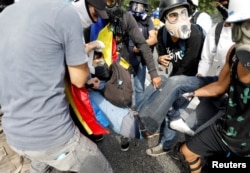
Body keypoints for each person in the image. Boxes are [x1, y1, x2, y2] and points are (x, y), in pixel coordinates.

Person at [0, 0, 114, 173]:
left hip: (14, 135)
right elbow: (79, 79)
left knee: (39, 164)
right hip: (51, 135)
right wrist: (86, 50)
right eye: (95, 14)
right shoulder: (63, 12)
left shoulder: (5, 15)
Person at [170, 0, 250, 172]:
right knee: (186, 152)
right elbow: (221, 85)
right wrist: (194, 92)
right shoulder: (234, 53)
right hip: (226, 128)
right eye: (240, 25)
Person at [145, 0, 204, 156]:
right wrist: (160, 59)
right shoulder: (163, 33)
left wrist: (168, 91)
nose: (181, 19)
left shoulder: (195, 35)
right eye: (173, 15)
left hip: (191, 79)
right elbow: (162, 53)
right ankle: (163, 131)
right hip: (176, 75)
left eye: (184, 13)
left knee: (174, 110)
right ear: (164, 19)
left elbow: (188, 68)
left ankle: (166, 144)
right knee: (166, 105)